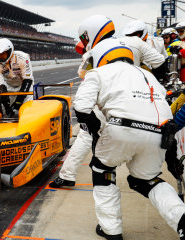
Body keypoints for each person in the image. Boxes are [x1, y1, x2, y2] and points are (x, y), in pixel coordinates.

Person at [73, 37, 185, 240]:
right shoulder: (148, 76)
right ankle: (182, 220)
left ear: (101, 57)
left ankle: (111, 228)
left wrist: (99, 130)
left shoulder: (98, 73)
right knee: (146, 180)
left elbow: (82, 108)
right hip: (159, 132)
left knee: (102, 168)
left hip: (121, 127)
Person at [51, 15, 166, 188]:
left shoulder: (94, 51)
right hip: (138, 100)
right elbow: (161, 65)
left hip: (106, 99)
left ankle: (70, 175)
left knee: (88, 138)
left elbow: (83, 74)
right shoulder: (137, 44)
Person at [0, 38, 33, 117]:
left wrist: (19, 101)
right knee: (1, 113)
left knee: (27, 111)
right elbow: (1, 86)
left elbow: (27, 80)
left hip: (25, 84)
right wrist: (7, 106)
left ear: (10, 51)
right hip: (9, 86)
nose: (1, 57)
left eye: (3, 54)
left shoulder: (23, 58)